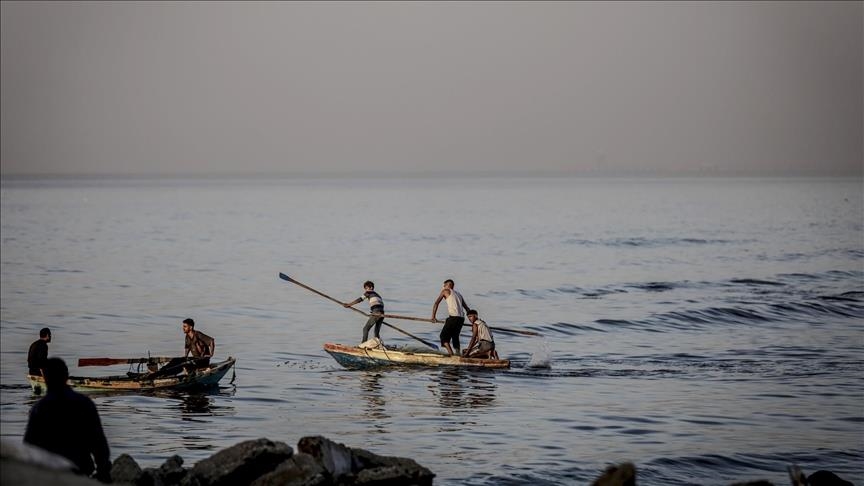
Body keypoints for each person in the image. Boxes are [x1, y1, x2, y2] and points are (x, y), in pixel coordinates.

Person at [24, 357, 112, 482]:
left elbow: (28, 447)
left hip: (50, 473)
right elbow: (99, 443)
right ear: (67, 376)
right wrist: (103, 471)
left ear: (46, 379)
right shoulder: (85, 404)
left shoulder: (39, 409)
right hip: (81, 470)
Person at [431, 279, 470, 356]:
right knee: (455, 336)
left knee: (443, 336)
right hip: (461, 319)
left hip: (453, 318)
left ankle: (451, 354)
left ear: (446, 285)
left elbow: (436, 303)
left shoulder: (445, 291)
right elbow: (467, 308)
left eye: (444, 285)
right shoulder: (458, 294)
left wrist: (433, 317)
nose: (443, 287)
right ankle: (458, 354)